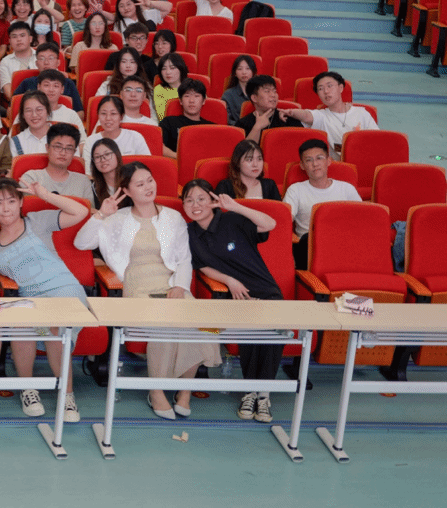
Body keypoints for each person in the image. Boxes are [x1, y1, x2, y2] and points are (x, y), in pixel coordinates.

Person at [76, 162, 217, 419]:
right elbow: (81, 242)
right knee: (163, 322)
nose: (148, 187)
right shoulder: (117, 219)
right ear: (127, 191)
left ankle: (185, 390)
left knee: (197, 321)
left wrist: (180, 286)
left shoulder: (173, 217)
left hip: (171, 282)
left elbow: (184, 259)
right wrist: (101, 215)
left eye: (150, 180)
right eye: (140, 184)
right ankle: (156, 390)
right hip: (137, 283)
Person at [0, 176, 87, 420]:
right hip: (32, 298)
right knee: (21, 326)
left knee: (55, 327)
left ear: (20, 203)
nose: (5, 208)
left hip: (64, 290)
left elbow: (80, 212)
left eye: (11, 201)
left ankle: (67, 396)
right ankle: (28, 390)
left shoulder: (38, 221)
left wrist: (45, 196)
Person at [181, 179, 285, 422]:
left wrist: (235, 206)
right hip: (236, 294)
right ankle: (250, 392)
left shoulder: (232, 220)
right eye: (189, 200)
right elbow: (202, 265)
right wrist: (229, 280)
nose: (195, 205)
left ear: (213, 200)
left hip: (266, 290)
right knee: (250, 332)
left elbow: (270, 223)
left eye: (201, 199)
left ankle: (263, 394)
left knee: (272, 334)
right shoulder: (190, 233)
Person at [282, 138, 360, 268]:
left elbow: (362, 220)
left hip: (342, 244)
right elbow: (284, 220)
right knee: (306, 240)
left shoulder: (346, 188)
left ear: (328, 161)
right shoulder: (295, 190)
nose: (315, 164)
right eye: (309, 160)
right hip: (310, 246)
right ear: (302, 165)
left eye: (319, 158)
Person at [279, 71, 378, 153]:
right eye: (320, 89)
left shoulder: (362, 113)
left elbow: (376, 140)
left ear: (341, 88)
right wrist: (291, 112)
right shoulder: (321, 116)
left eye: (329, 86)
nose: (326, 91)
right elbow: (306, 115)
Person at [19, 125, 94, 200]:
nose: (63, 153)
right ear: (47, 148)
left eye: (69, 148)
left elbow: (89, 207)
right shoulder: (31, 178)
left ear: (74, 152)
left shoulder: (83, 182)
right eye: (58, 147)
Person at [81, 96, 151, 176]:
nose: (108, 118)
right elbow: (88, 174)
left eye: (113, 113)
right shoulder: (91, 141)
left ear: (121, 116)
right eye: (103, 113)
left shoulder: (135, 137)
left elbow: (146, 168)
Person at [160, 78, 213, 157]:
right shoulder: (168, 122)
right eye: (187, 96)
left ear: (204, 100)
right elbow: (159, 146)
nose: (191, 100)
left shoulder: (212, 127)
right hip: (176, 161)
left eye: (196, 96)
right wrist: (180, 158)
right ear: (180, 101)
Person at [216, 139, 281, 201]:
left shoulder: (270, 185)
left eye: (259, 159)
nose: (255, 164)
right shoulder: (225, 186)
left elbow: (279, 208)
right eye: (249, 159)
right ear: (237, 162)